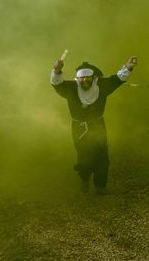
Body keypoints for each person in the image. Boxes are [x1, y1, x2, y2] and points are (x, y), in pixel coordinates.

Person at [50, 56, 137, 194]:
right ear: (77, 79)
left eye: (88, 78)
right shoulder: (72, 88)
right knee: (84, 156)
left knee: (102, 156)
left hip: (98, 125)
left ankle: (100, 186)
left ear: (94, 78)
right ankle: (84, 179)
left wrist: (129, 67)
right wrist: (56, 70)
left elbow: (118, 79)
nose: (84, 80)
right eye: (81, 78)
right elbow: (57, 83)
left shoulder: (101, 86)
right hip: (79, 128)